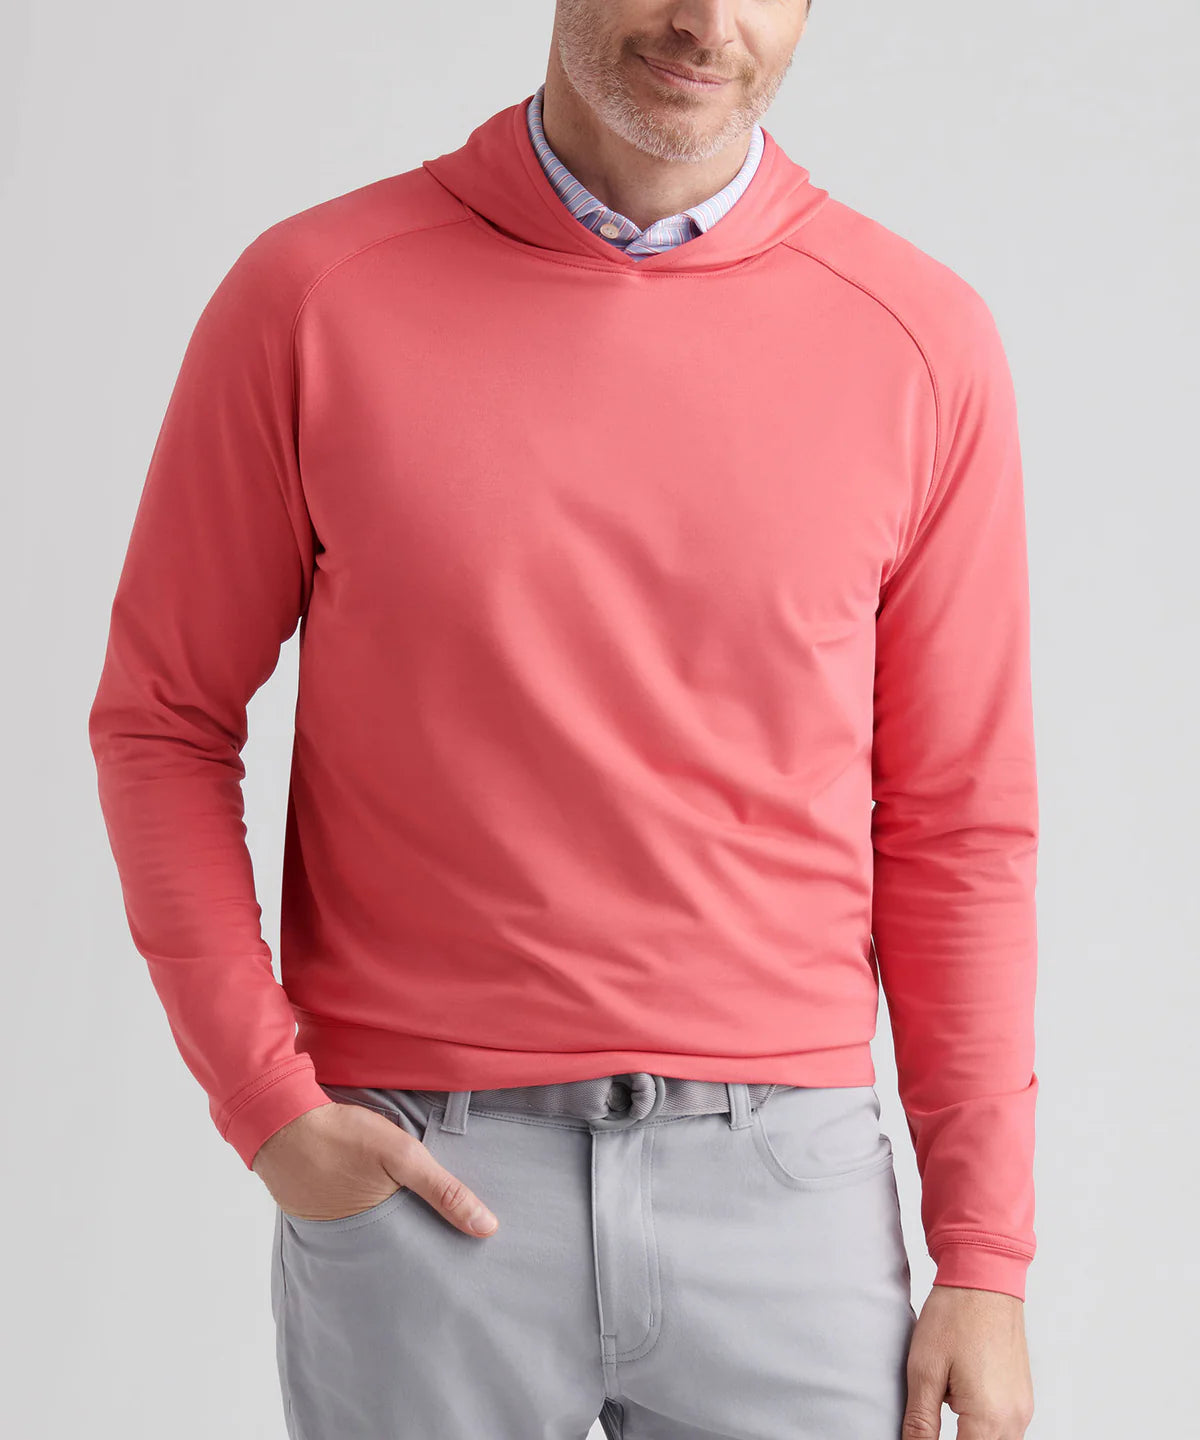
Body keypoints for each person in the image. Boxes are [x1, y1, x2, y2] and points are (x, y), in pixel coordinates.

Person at [87, 2, 1039, 1436]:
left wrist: (985, 1255)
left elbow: (959, 821)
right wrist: (266, 1104)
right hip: (423, 1180)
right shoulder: (313, 294)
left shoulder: (919, 337)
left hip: (787, 1194)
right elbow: (163, 719)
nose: (706, 20)